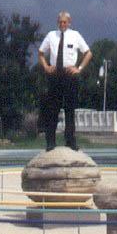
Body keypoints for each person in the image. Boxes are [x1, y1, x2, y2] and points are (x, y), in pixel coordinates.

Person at [38, 11, 92, 151]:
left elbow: (88, 53)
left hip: (69, 75)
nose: (62, 24)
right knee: (53, 109)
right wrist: (46, 67)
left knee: (70, 110)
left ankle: (70, 141)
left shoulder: (75, 35)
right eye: (60, 22)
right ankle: (50, 142)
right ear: (58, 22)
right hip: (55, 74)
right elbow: (41, 53)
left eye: (65, 22)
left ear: (69, 22)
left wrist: (79, 68)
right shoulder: (51, 35)